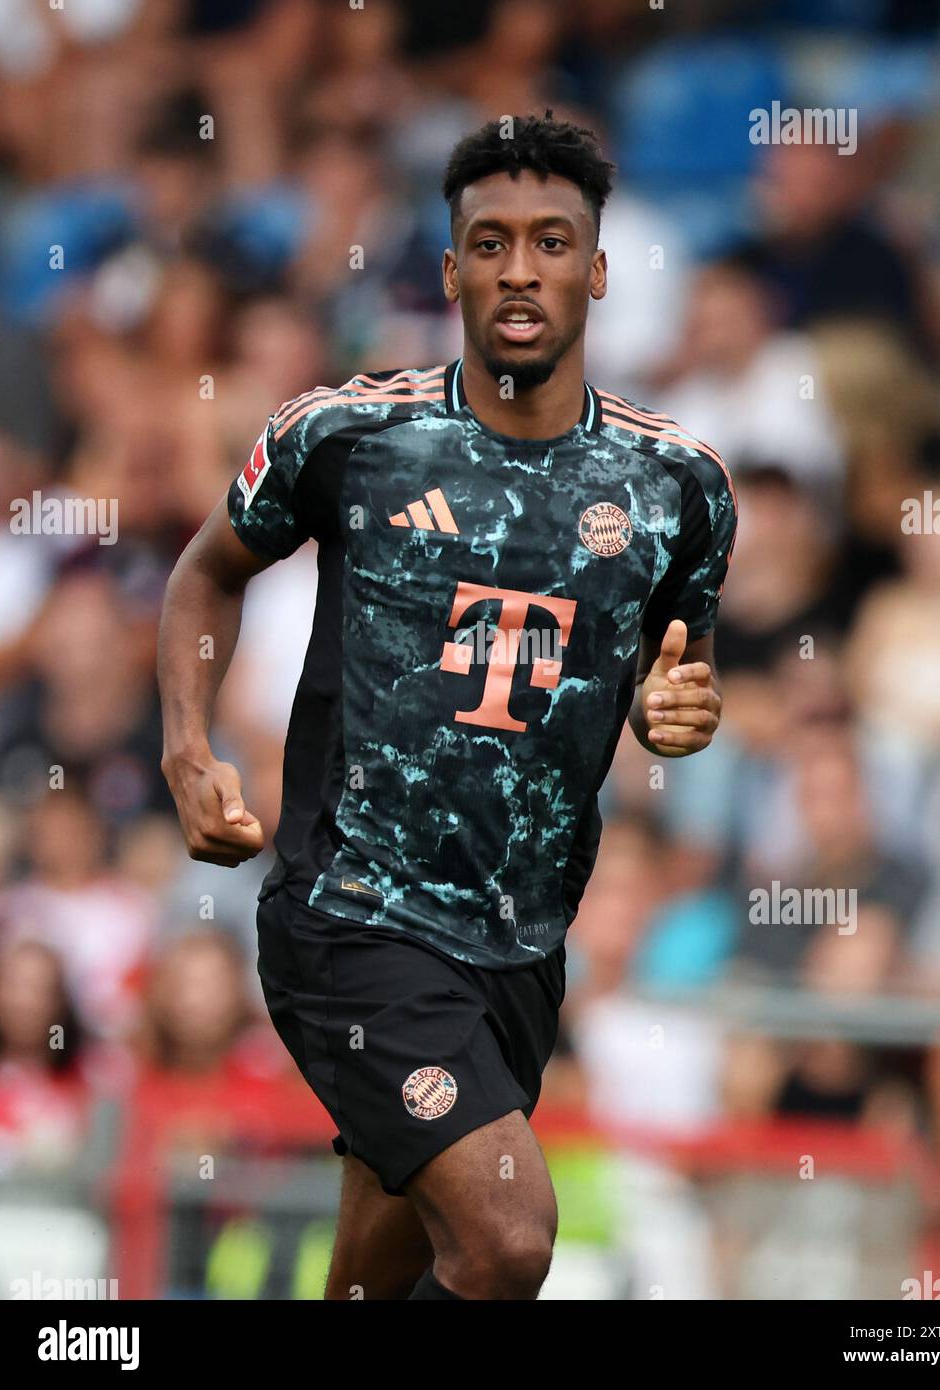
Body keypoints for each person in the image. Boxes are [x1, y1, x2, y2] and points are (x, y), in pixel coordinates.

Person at [157, 112, 737, 1301]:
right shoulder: (348, 437)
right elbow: (204, 571)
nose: (519, 268)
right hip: (353, 914)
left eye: (549, 242)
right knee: (511, 1235)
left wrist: (679, 710)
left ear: (598, 268)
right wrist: (184, 748)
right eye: (488, 242)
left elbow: (673, 673)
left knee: (386, 1265)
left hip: (522, 941)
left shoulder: (678, 486)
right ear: (449, 269)